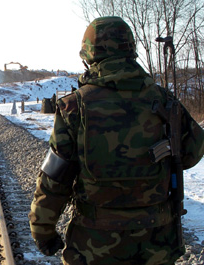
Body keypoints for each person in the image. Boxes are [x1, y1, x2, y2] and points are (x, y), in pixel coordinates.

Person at [29, 16, 204, 265]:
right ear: (131, 50)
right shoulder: (164, 99)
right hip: (157, 245)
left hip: (93, 248)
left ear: (90, 56)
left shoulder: (73, 107)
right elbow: (192, 152)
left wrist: (43, 230)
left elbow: (55, 179)